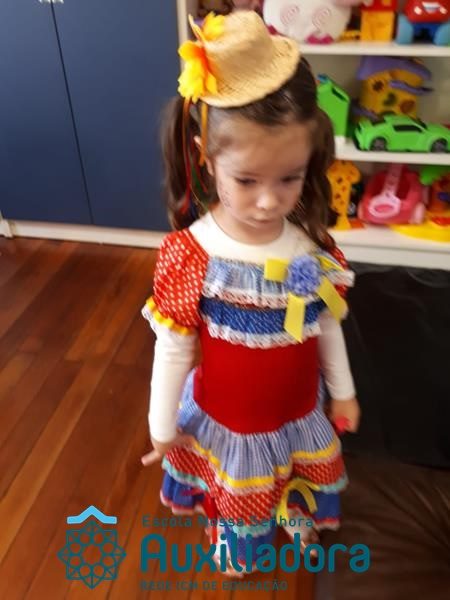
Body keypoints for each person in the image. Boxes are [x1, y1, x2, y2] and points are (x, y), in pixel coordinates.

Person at [141, 10, 360, 577]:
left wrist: (343, 393)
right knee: (242, 486)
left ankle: (293, 505)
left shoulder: (309, 248)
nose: (269, 202)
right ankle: (239, 536)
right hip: (230, 420)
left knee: (291, 469)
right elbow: (173, 348)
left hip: (296, 411)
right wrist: (161, 426)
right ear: (207, 159)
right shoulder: (194, 255)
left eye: (289, 178)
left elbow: (325, 322)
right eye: (247, 180)